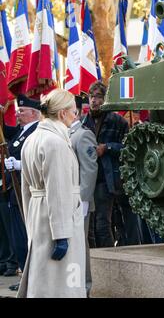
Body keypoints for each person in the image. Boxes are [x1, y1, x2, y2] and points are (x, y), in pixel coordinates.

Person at [18, 89, 86, 298]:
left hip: (40, 216)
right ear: (62, 113)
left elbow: (26, 191)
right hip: (59, 221)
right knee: (64, 284)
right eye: (74, 112)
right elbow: (58, 191)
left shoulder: (32, 139)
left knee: (43, 281)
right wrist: (62, 235)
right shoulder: (55, 143)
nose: (76, 117)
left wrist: (30, 222)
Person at [82, 81, 141, 247]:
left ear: (105, 99)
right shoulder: (83, 122)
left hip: (110, 179)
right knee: (91, 224)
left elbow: (129, 149)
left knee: (104, 222)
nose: (94, 100)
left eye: (98, 97)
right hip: (89, 179)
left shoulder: (118, 121)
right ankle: (96, 257)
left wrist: (107, 148)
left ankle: (108, 256)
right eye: (91, 97)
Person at [1, 95, 41, 291]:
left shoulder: (36, 131)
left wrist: (18, 165)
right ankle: (25, 275)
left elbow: (36, 159)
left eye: (21, 110)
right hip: (13, 192)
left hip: (25, 192)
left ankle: (31, 277)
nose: (17, 113)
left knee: (26, 237)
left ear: (34, 113)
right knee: (17, 239)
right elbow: (8, 135)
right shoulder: (22, 131)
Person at [70, 96, 98, 297]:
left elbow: (89, 170)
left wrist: (85, 199)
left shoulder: (82, 135)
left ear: (77, 111)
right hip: (68, 200)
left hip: (79, 200)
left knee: (79, 245)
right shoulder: (65, 133)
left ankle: (84, 287)